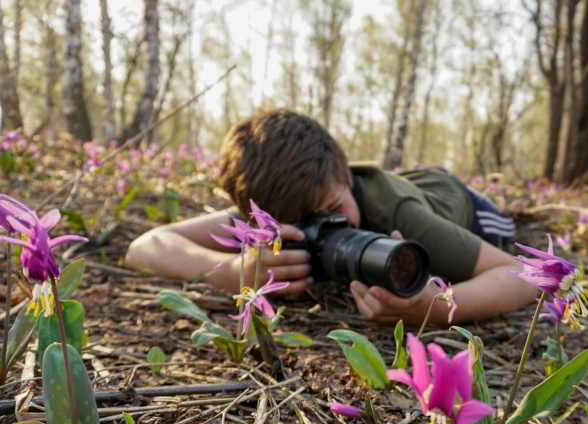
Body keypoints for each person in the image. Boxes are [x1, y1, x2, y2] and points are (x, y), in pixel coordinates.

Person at [125, 108, 537, 326]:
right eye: (304, 224)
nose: (322, 225)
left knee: (507, 229)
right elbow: (145, 246)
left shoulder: (396, 213)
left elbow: (522, 276)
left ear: (343, 177)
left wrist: (437, 308)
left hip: (455, 199)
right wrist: (233, 272)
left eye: (333, 212)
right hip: (394, 184)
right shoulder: (275, 204)